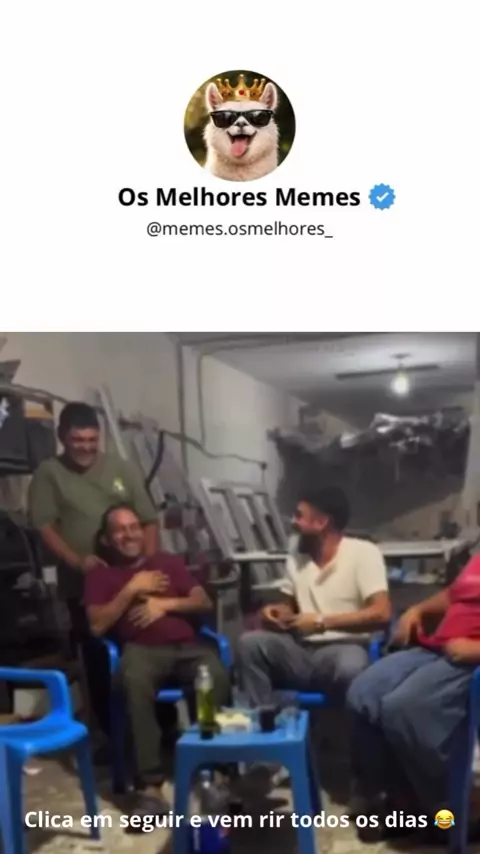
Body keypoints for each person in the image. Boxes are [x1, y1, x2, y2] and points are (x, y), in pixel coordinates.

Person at [84, 504, 230, 820]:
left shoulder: (167, 562)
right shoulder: (101, 575)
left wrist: (164, 604)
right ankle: (150, 786)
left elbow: (202, 600)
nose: (129, 535)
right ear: (107, 539)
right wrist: (131, 589)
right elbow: (96, 626)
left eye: (134, 527)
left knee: (214, 676)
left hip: (189, 648)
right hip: (142, 650)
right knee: (133, 681)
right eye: (120, 530)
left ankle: (213, 770)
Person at [28, 401, 159, 733]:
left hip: (131, 584)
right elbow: (44, 526)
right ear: (62, 436)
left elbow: (148, 520)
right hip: (84, 588)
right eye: (77, 440)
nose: (85, 447)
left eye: (91, 440)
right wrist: (77, 561)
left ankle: (158, 729)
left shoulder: (122, 468)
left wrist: (148, 564)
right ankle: (110, 735)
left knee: (146, 654)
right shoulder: (49, 474)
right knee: (98, 661)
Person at [346, 553, 480, 842]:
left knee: (405, 708)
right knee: (363, 693)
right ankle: (400, 801)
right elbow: (454, 594)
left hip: (470, 659)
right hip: (439, 648)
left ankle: (454, 811)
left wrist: (475, 649)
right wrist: (418, 609)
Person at [237, 487, 391, 706]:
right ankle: (265, 715)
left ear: (321, 522)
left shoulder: (363, 552)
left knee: (350, 666)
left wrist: (321, 622)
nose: (293, 522)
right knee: (250, 644)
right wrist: (275, 613)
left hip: (346, 646)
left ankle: (334, 724)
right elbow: (288, 605)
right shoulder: (297, 556)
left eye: (300, 516)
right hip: (300, 650)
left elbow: (382, 613)